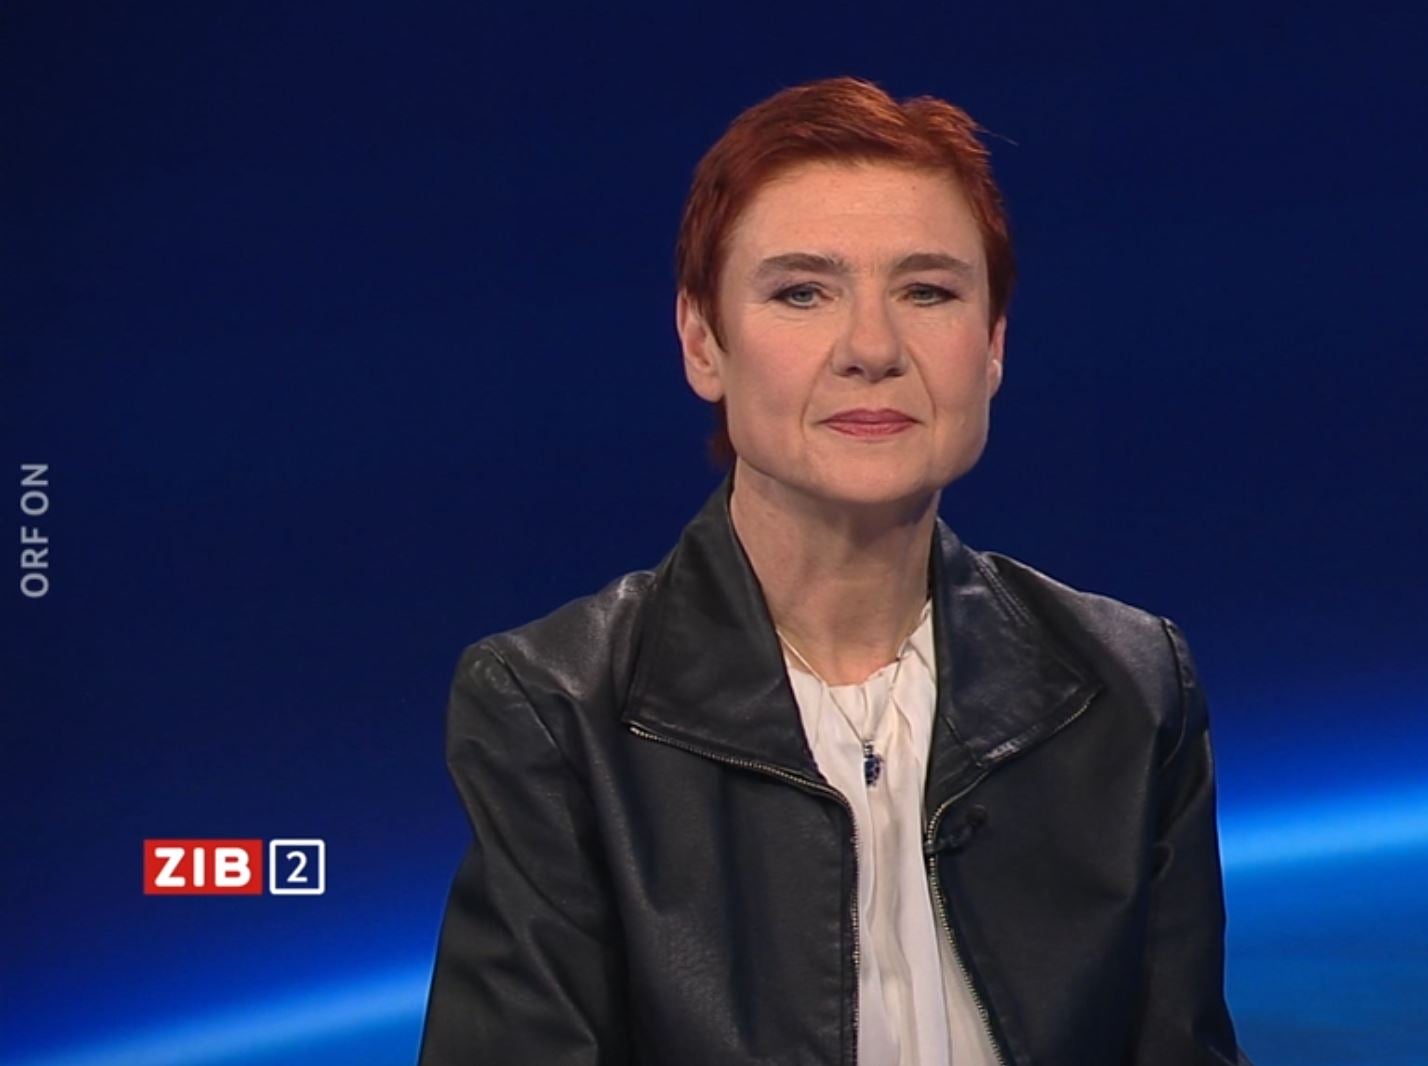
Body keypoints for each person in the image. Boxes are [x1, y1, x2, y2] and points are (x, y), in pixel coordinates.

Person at [418, 75, 1250, 1066]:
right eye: (802, 292)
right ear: (702, 343)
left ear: (992, 346)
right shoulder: (557, 711)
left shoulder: (1129, 687)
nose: (871, 348)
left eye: (927, 291)